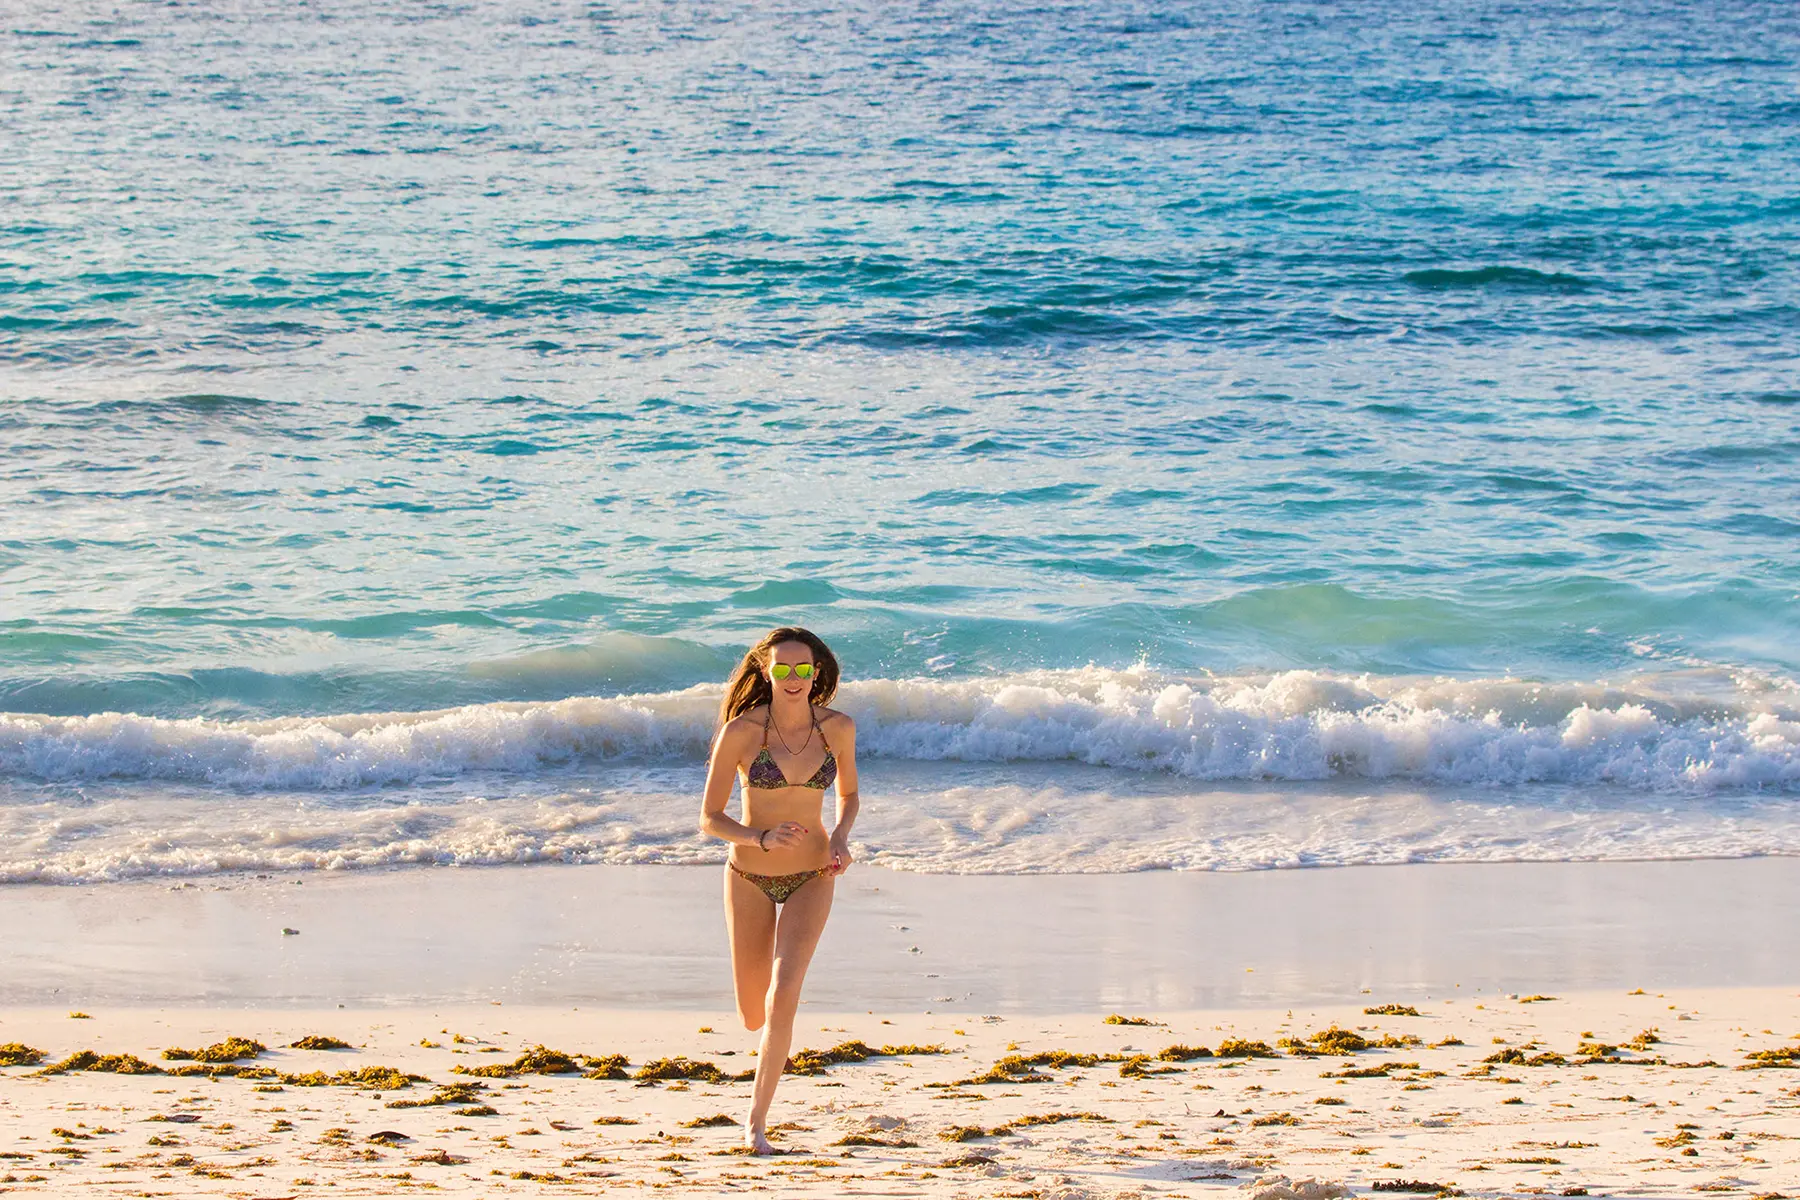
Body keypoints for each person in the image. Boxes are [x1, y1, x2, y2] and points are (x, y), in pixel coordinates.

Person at [698, 626, 859, 1154]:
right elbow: (709, 818)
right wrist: (759, 837)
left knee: (783, 993)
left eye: (803, 668)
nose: (793, 678)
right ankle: (759, 1037)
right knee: (753, 1011)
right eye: (782, 668)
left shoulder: (838, 728)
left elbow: (850, 794)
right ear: (766, 671)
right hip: (748, 876)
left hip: (814, 874)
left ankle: (756, 1123)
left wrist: (838, 836)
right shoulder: (741, 732)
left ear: (817, 672)